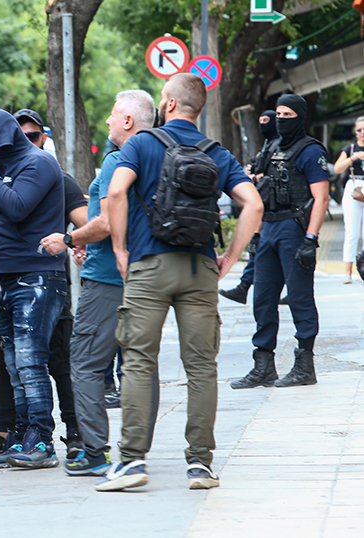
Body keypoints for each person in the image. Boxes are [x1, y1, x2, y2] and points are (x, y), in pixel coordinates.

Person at [102, 73, 263, 491]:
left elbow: (116, 194)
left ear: (170, 104)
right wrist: (230, 257)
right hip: (199, 269)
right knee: (201, 367)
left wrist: (120, 249)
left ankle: (132, 461)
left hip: (148, 266)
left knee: (139, 360)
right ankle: (200, 465)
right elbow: (254, 204)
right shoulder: (216, 153)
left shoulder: (141, 143)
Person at [40, 90, 160, 477]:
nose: (107, 121)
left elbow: (107, 223)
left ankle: (95, 453)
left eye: (112, 114)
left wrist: (70, 238)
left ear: (128, 121)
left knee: (86, 363)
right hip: (147, 276)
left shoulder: (118, 160)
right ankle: (136, 451)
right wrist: (86, 240)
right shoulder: (156, 155)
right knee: (141, 365)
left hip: (108, 279)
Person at [0, 108, 66, 469]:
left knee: (30, 361)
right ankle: (22, 437)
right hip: (3, 279)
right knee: (12, 364)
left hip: (36, 277)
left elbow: (18, 207)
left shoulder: (39, 163)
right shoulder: (3, 171)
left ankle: (41, 441)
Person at [233, 94, 330, 390]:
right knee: (263, 299)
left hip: (294, 229)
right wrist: (256, 234)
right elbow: (261, 192)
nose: (281, 120)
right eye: (278, 114)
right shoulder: (272, 147)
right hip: (270, 228)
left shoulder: (310, 151)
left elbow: (321, 198)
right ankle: (263, 366)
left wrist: (311, 238)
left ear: (300, 117)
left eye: (288, 115)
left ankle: (305, 366)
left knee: (299, 298)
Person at [14, 108, 87, 459]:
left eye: (34, 136)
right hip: (11, 282)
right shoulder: (7, 177)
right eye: (21, 136)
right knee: (12, 363)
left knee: (59, 360)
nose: (28, 142)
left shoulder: (60, 178)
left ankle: (75, 432)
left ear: (44, 138)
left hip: (51, 284)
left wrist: (74, 242)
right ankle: (13, 433)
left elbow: (86, 221)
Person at [220, 111, 280, 304]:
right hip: (266, 204)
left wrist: (253, 177)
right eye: (260, 121)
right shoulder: (267, 145)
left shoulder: (278, 146)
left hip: (275, 208)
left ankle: (245, 287)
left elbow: (271, 175)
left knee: (264, 249)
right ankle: (244, 287)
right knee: (260, 249)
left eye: (266, 121)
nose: (262, 125)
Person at [333, 116, 364, 284]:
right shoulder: (350, 149)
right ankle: (348, 271)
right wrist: (353, 158)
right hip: (354, 186)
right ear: (355, 131)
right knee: (352, 231)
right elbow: (337, 168)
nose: (362, 133)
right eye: (359, 130)